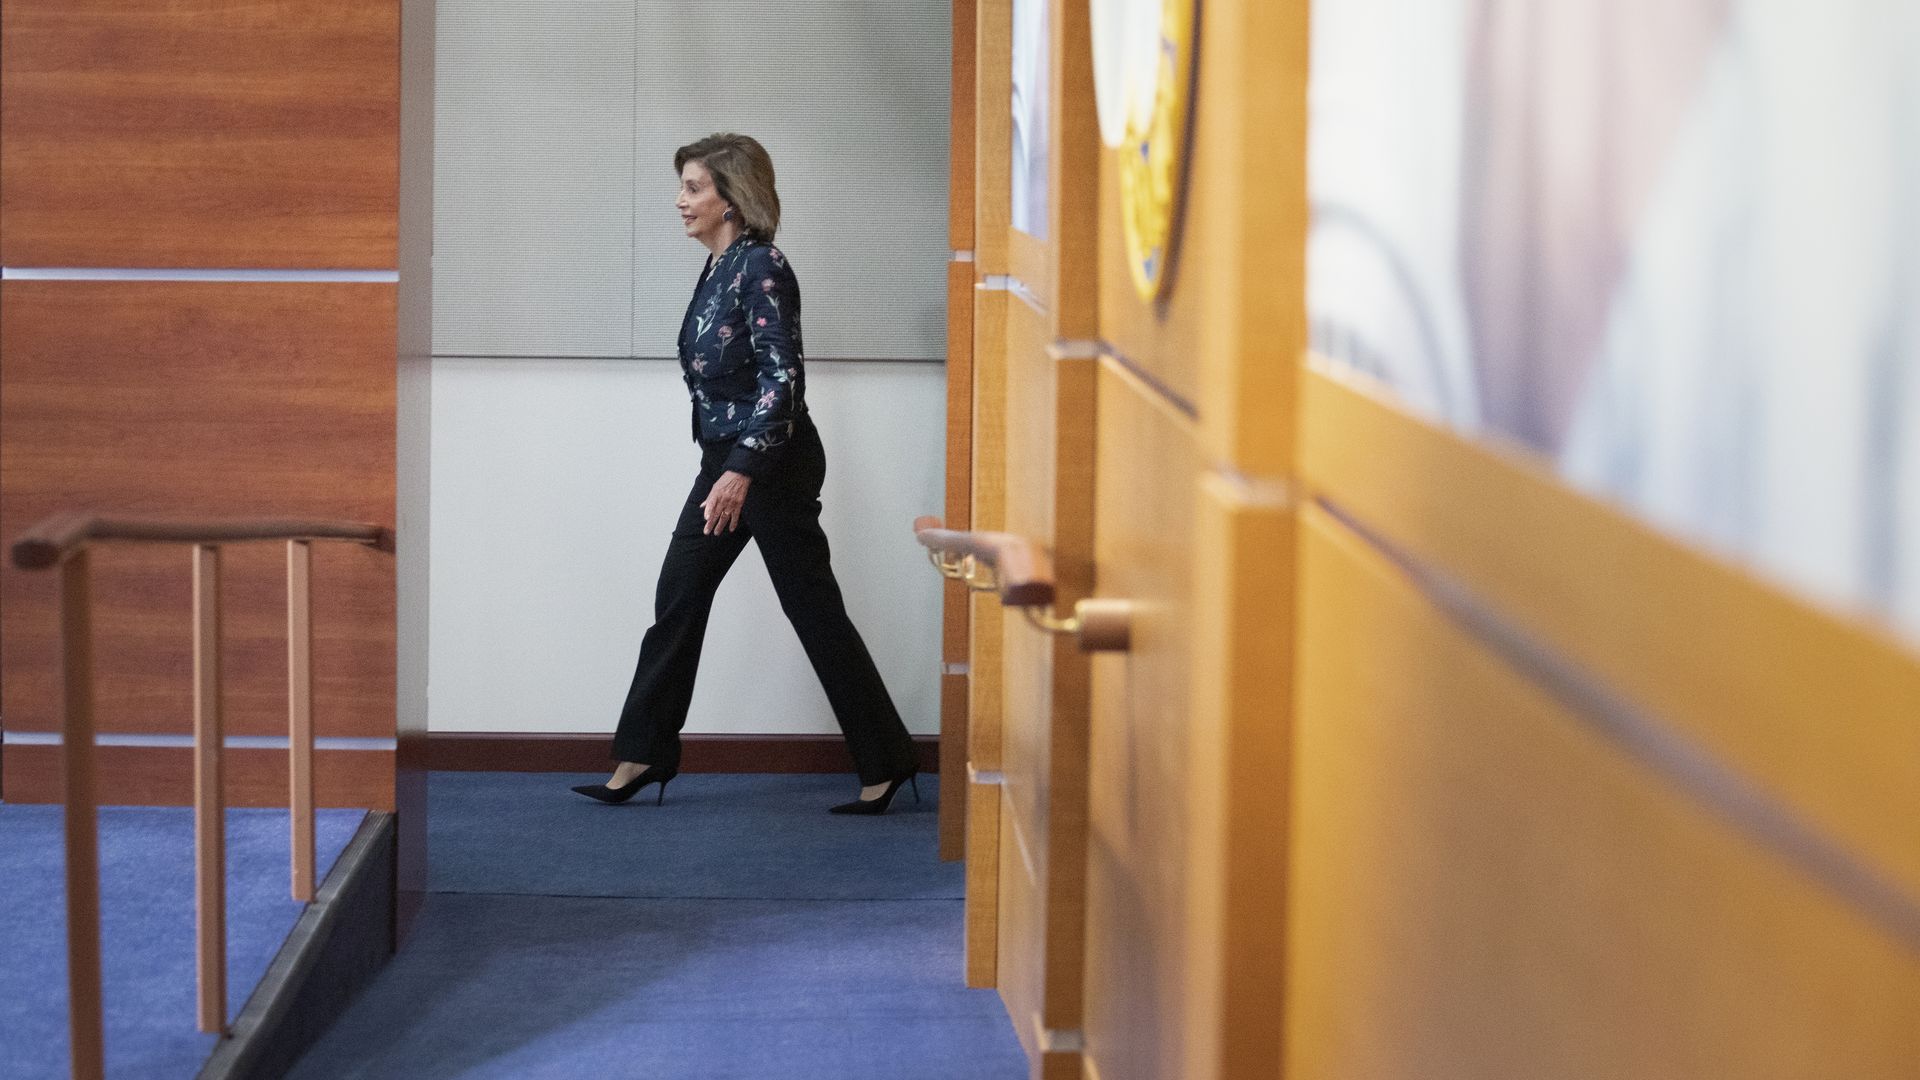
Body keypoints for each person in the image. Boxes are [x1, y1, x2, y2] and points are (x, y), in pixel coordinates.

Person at [571, 132, 923, 814]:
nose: (681, 201)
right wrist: (725, 466)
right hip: (727, 459)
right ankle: (643, 754)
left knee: (812, 610)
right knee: (679, 596)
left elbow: (782, 376)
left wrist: (743, 472)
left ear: (732, 199)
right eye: (683, 187)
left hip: (771, 464)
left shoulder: (762, 266)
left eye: (694, 188)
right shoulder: (720, 268)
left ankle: (885, 762)